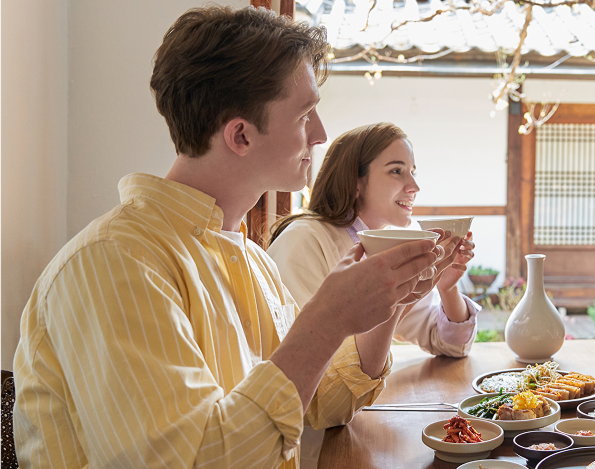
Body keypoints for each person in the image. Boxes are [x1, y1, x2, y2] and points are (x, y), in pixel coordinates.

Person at [13, 6, 452, 469]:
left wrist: (393, 298)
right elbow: (196, 460)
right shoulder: (113, 263)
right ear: (241, 135)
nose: (321, 135)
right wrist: (325, 320)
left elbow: (321, 402)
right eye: (306, 115)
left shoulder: (249, 257)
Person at [266, 122, 480, 361]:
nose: (415, 187)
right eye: (396, 171)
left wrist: (446, 287)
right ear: (355, 181)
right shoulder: (303, 241)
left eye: (413, 172)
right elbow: (306, 361)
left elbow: (450, 344)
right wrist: (402, 299)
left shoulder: (387, 247)